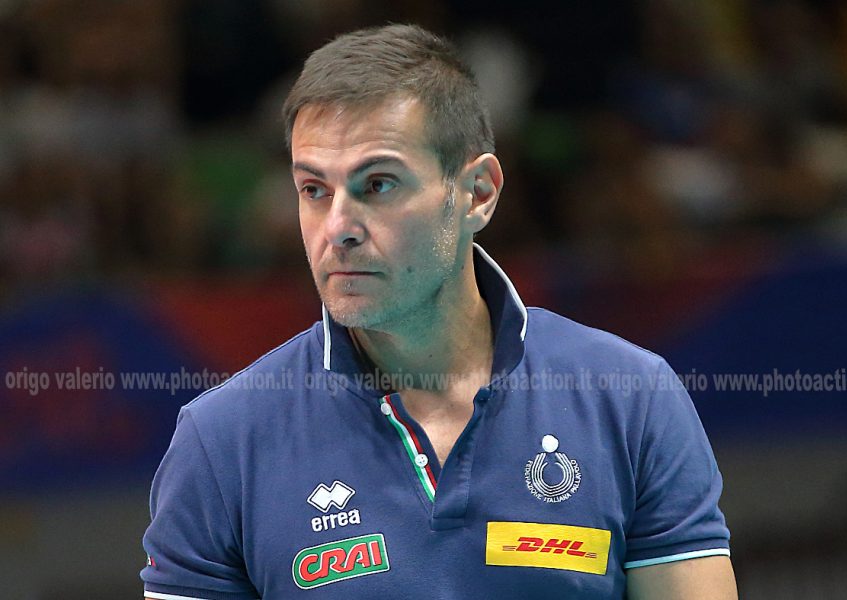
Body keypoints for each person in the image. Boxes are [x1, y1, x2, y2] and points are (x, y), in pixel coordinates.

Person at [141, 24, 738, 599]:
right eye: (314, 189)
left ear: (478, 193)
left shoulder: (630, 398)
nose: (338, 227)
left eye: (378, 184)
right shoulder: (220, 442)